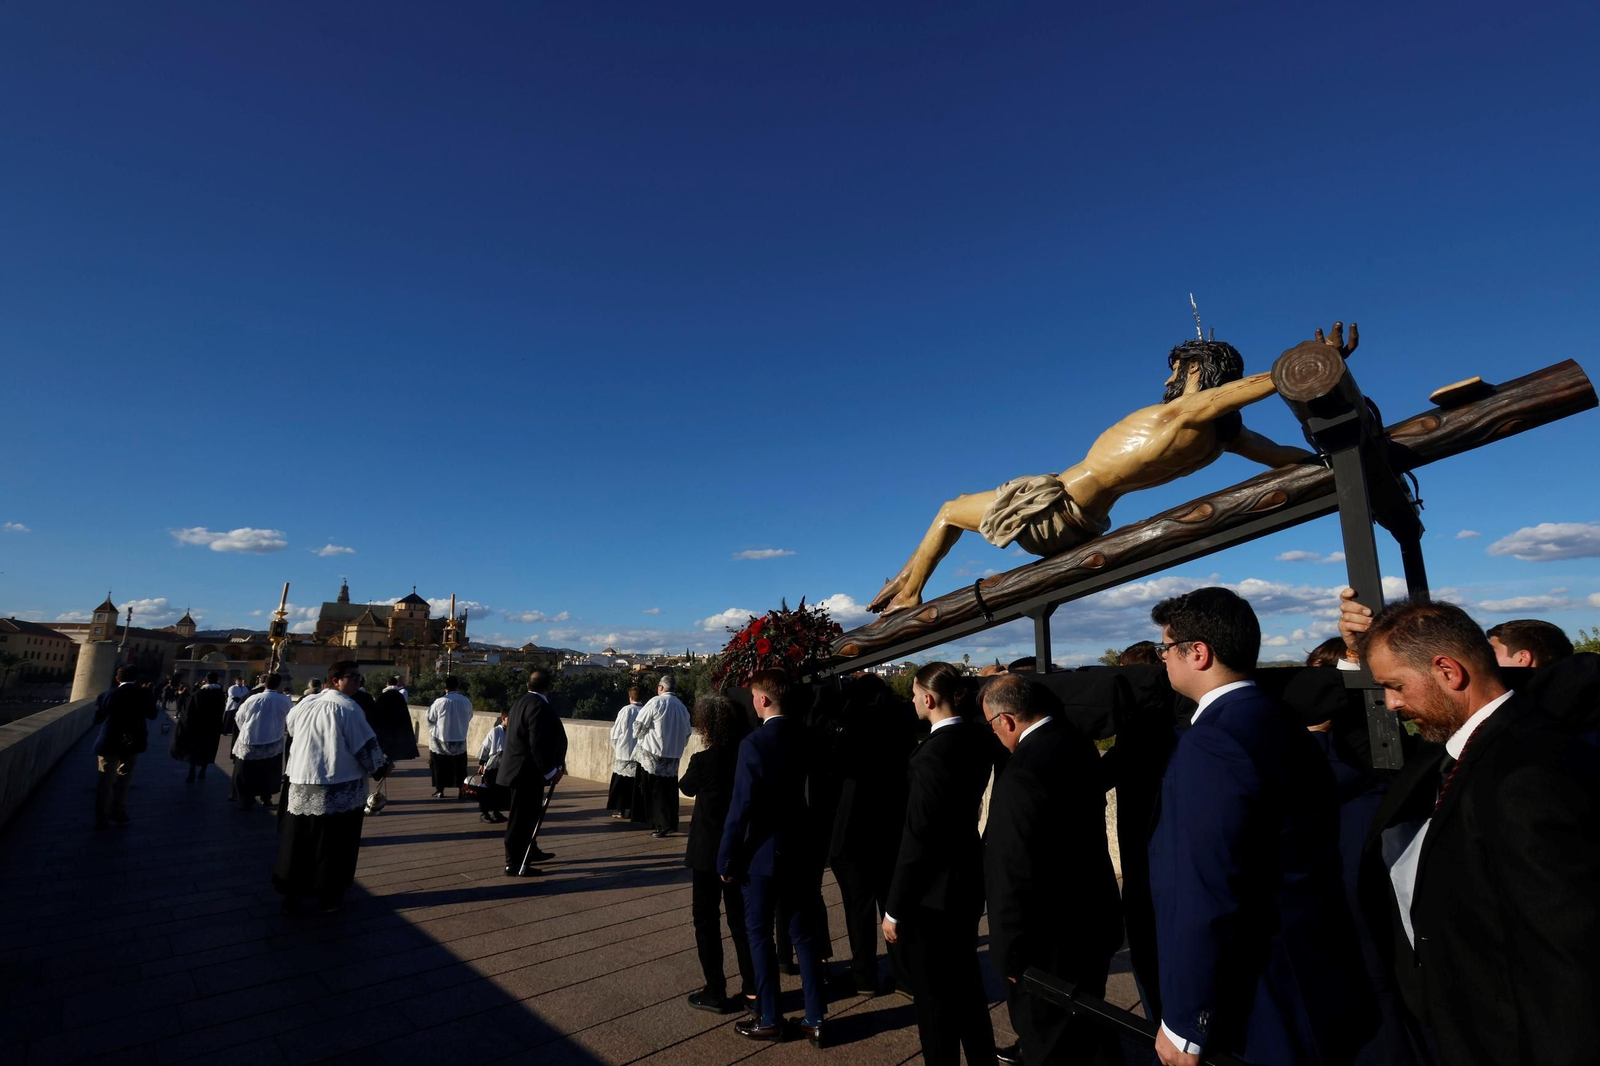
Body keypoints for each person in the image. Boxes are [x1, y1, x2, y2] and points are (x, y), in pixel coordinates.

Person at [867, 323, 1356, 614]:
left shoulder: (1181, 413)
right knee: (950, 516)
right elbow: (1284, 457)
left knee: (949, 509)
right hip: (1085, 524)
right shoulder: (1225, 439)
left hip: (1050, 508)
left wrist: (1311, 361)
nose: (1167, 378)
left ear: (1193, 369)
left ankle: (910, 594)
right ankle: (903, 585)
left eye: (1176, 368)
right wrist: (1330, 460)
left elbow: (1244, 389)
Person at [1349, 599, 1600, 1065]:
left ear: (1448, 671)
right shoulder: (1454, 745)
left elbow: (1565, 956)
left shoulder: (1527, 775)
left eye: (1396, 686)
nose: (1392, 703)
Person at [1148, 587, 1371, 1066]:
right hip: (1313, 972)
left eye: (1165, 648)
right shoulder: (1279, 719)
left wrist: (1187, 1022)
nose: (1162, 659)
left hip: (1258, 997)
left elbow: (1204, 886)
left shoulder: (1212, 742)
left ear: (1197, 652)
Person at [981, 673, 1122, 1066]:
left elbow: (1012, 874)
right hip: (1092, 921)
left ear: (1006, 720)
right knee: (1090, 1028)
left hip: (1047, 945)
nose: (994, 733)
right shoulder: (1077, 743)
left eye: (992, 725)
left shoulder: (1021, 773)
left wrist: (1008, 955)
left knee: (1048, 1044)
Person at [883, 662, 997, 1066]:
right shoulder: (977, 738)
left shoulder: (930, 756)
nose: (913, 700)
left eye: (915, 694)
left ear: (929, 699)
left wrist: (894, 908)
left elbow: (917, 839)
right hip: (965, 876)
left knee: (934, 1003)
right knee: (967, 988)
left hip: (932, 894)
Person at [717, 669, 827, 1046]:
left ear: (763, 700)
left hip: (762, 854)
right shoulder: (808, 737)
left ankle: (769, 1017)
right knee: (803, 934)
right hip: (800, 847)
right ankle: (815, 1017)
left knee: (759, 934)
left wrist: (727, 858)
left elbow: (741, 806)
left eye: (754, 697)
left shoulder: (754, 743)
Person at [273, 661, 391, 913]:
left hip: (301, 779)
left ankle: (292, 892)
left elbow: (291, 728)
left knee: (299, 841)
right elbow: (366, 746)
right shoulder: (348, 707)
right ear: (336, 680)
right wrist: (381, 767)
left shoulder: (305, 703)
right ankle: (328, 895)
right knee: (333, 844)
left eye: (359, 677)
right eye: (353, 677)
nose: (358, 681)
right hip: (337, 783)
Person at [828, 673, 916, 996]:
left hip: (855, 829)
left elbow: (836, 767)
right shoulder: (901, 724)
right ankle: (905, 976)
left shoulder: (852, 725)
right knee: (892, 905)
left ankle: (864, 976)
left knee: (858, 908)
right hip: (891, 825)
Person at [679, 694, 756, 1015]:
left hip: (706, 851)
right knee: (741, 922)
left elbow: (686, 786)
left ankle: (716, 989)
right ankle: (753, 988)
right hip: (739, 848)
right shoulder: (745, 757)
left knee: (706, 920)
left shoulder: (704, 761)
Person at [500, 669, 568, 876]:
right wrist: (551, 771)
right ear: (548, 688)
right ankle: (514, 863)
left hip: (518, 770)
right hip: (525, 773)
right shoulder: (539, 707)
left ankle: (530, 850)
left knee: (529, 816)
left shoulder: (520, 702)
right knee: (520, 819)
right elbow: (537, 744)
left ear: (527, 685)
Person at [91, 664, 158, 827]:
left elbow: (97, 719)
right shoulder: (144, 694)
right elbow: (152, 715)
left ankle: (102, 818)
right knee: (124, 777)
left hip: (109, 741)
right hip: (132, 742)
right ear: (136, 678)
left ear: (117, 678)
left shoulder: (107, 695)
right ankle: (118, 812)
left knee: (105, 780)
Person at [634, 674, 692, 837]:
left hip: (654, 753)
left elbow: (638, 726)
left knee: (657, 791)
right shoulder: (682, 707)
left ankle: (662, 824)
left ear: (661, 687)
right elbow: (688, 732)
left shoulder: (656, 702)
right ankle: (672, 822)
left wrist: (640, 738)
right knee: (670, 791)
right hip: (673, 755)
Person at [232, 672, 290, 811]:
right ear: (278, 685)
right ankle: (266, 797)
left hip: (250, 740)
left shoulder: (253, 698)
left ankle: (247, 799)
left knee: (248, 772)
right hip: (273, 741)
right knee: (269, 772)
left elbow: (239, 717)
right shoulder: (284, 700)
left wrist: (245, 730)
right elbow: (290, 720)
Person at [365, 675, 419, 814]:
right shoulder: (400, 696)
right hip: (398, 735)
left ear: (387, 683)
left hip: (385, 734)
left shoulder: (383, 697)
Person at [425, 676, 473, 798]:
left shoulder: (439, 702)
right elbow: (469, 716)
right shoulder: (466, 701)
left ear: (445, 688)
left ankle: (440, 790)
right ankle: (461, 789)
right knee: (460, 768)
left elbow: (430, 718)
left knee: (440, 767)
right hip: (459, 739)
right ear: (457, 686)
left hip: (440, 740)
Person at [607, 686, 645, 819]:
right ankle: (634, 811)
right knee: (635, 785)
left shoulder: (626, 710)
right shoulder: (645, 710)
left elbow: (616, 732)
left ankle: (619, 809)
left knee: (621, 784)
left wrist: (617, 748)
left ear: (630, 697)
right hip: (639, 754)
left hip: (624, 751)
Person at [183, 671, 227, 782]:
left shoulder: (198, 694)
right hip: (213, 727)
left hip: (198, 727)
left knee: (195, 749)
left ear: (206, 680)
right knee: (208, 749)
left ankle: (192, 771)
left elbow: (188, 711)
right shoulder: (220, 695)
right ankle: (203, 770)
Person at [477, 710, 508, 824]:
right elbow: (485, 747)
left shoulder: (512, 731)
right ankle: (484, 813)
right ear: (503, 718)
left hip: (503, 767)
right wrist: (482, 763)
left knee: (500, 791)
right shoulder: (495, 731)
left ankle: (496, 812)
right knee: (488, 790)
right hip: (492, 766)